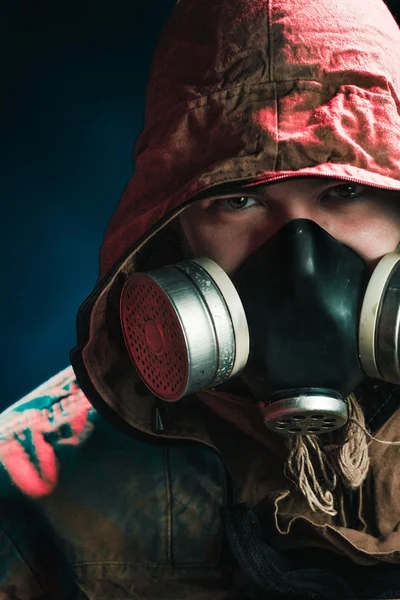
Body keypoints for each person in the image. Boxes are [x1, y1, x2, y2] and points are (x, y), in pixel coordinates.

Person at [2, 0, 400, 597]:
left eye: (345, 189)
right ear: (172, 230)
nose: (300, 263)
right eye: (238, 201)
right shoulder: (31, 487)